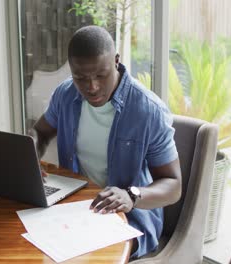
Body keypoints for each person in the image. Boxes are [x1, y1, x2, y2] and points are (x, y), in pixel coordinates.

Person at [30, 26, 182, 259]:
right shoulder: (65, 95)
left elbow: (173, 185)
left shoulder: (148, 111)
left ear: (117, 61)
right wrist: (30, 156)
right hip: (76, 210)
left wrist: (131, 196)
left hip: (131, 219)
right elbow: (40, 132)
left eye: (101, 75)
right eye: (80, 78)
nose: (92, 87)